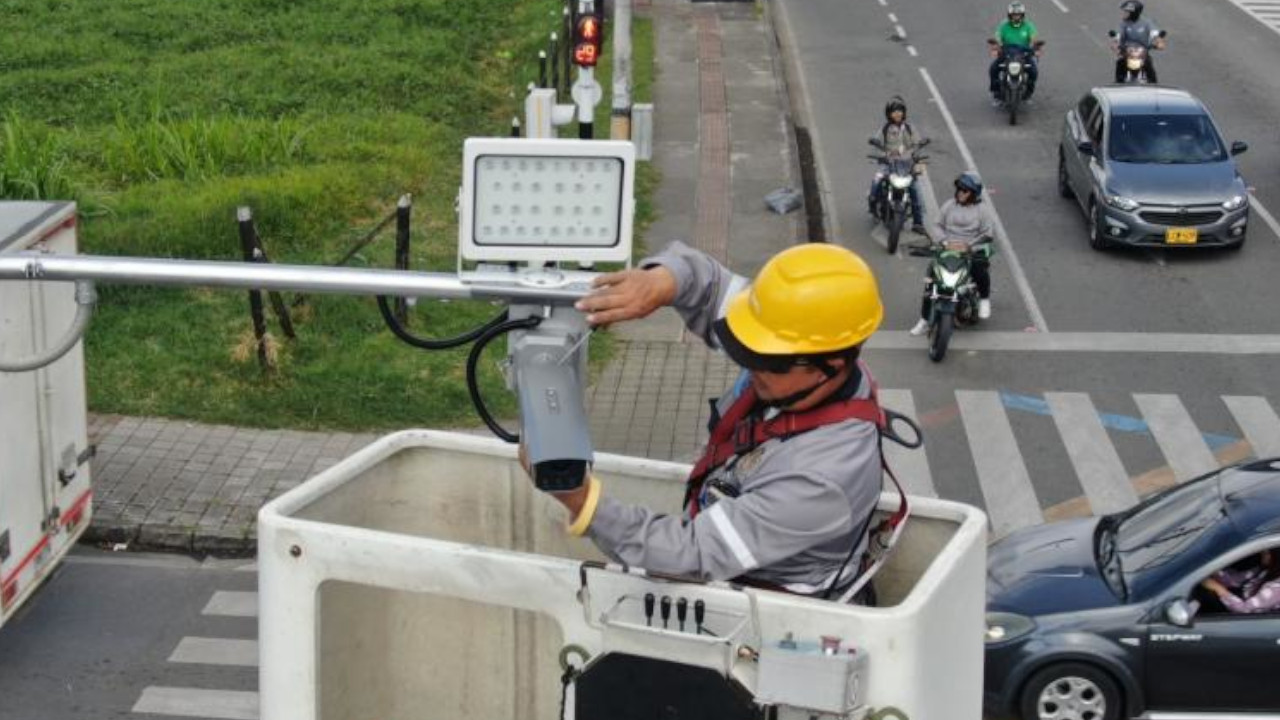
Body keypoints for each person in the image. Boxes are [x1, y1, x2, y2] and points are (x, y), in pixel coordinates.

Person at [523, 241, 890, 604]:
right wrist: (661, 281)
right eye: (749, 347)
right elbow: (708, 282)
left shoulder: (823, 478)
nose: (753, 365)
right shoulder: (794, 328)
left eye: (769, 360)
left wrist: (582, 501)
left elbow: (687, 556)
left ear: (833, 366)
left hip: (769, 613)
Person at [910, 172, 995, 335]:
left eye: (965, 190)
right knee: (930, 281)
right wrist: (943, 242)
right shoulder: (949, 205)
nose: (961, 193)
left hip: (969, 250)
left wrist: (969, 246)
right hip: (947, 249)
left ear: (973, 194)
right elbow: (937, 225)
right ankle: (924, 320)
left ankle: (984, 299)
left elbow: (988, 233)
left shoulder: (982, 210)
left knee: (980, 270)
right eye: (959, 189)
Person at [867, 96, 928, 235]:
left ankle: (918, 223)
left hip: (906, 165)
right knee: (876, 181)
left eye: (900, 110)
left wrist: (916, 153)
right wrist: (882, 154)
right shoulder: (885, 128)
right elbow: (877, 143)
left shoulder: (909, 128)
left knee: (915, 191)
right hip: (889, 164)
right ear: (889, 113)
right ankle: (873, 206)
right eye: (894, 111)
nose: (897, 113)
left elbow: (916, 144)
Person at [989, 1, 1041, 102]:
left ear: (1022, 15)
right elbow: (998, 36)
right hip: (1006, 52)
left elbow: (1033, 37)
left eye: (1018, 15)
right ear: (1010, 15)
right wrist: (996, 46)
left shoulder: (1028, 26)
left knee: (1034, 72)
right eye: (1014, 15)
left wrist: (1035, 47)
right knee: (993, 69)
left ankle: (1028, 93)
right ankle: (996, 93)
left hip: (1024, 53)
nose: (1016, 17)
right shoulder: (1004, 26)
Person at [1200, 549, 1280, 615]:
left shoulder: (1277, 589)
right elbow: (1234, 581)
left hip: (1244, 617)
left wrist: (1219, 589)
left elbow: (1245, 610)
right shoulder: (1266, 570)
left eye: (1266, 553)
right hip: (1238, 599)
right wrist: (1212, 569)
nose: (1261, 554)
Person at [1113, 0, 1163, 83]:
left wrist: (1159, 42)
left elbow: (1155, 34)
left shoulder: (1146, 23)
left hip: (1142, 52)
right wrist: (1115, 44)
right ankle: (1118, 84)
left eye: (1127, 12)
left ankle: (1154, 85)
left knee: (1149, 66)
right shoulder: (1124, 24)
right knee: (1120, 63)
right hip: (1127, 52)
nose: (1124, 13)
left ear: (1134, 13)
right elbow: (1118, 34)